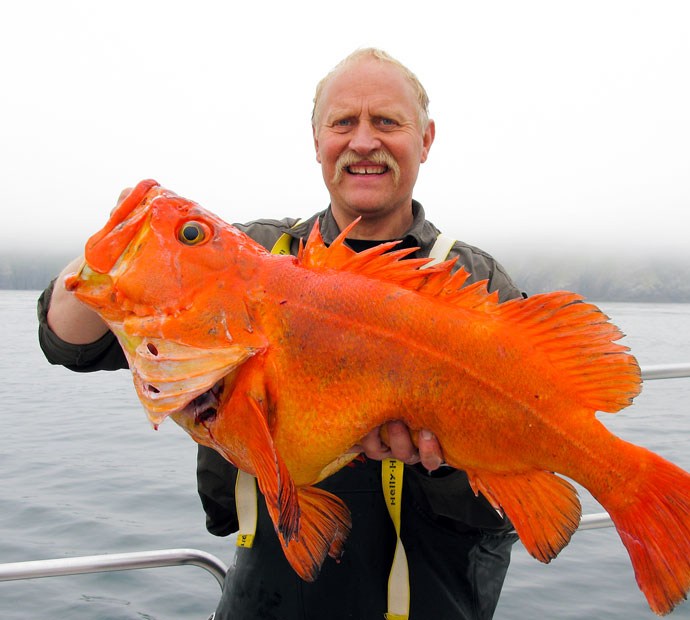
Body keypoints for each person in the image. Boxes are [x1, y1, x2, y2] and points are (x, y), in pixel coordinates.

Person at [38, 48, 524, 619]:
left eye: (387, 122)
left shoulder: (475, 281)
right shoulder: (256, 259)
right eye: (343, 123)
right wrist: (114, 248)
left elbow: (515, 501)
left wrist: (439, 460)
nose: (363, 141)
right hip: (264, 601)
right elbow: (68, 343)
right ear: (317, 140)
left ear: (426, 139)